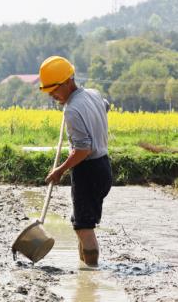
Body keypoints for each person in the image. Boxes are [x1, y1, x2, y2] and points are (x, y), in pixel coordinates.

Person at [39, 55, 112, 267]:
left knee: (83, 227)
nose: (52, 95)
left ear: (68, 81)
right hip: (103, 168)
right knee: (83, 222)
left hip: (88, 171)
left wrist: (60, 170)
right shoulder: (93, 94)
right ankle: (84, 265)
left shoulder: (71, 110)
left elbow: (83, 150)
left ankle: (90, 277)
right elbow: (105, 106)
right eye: (49, 91)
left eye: (54, 89)